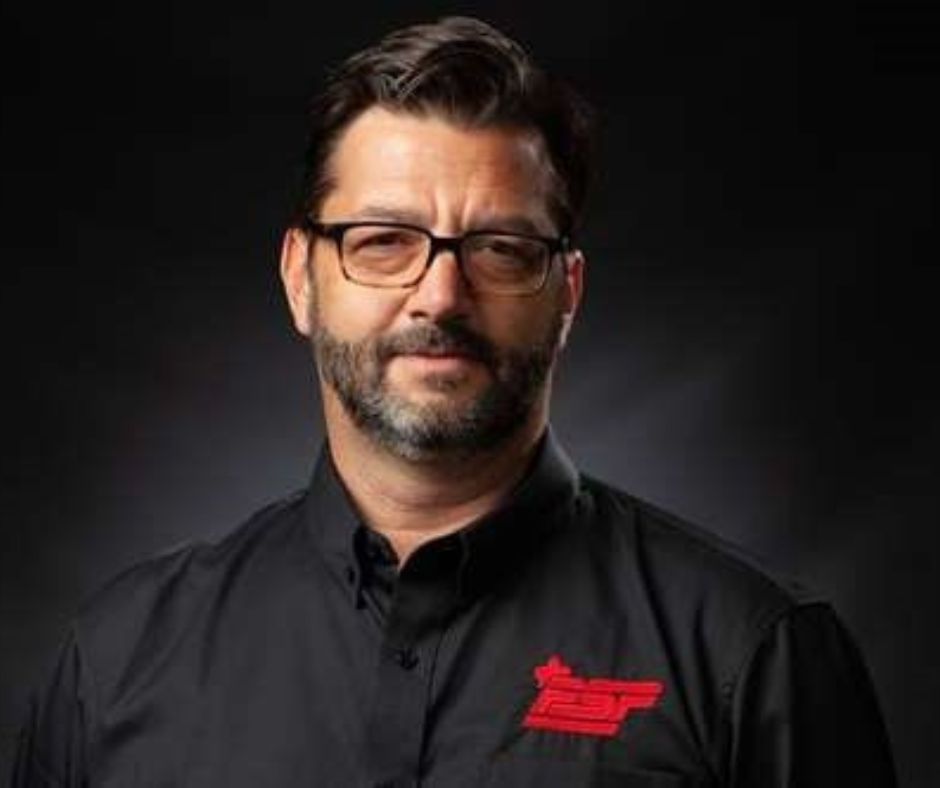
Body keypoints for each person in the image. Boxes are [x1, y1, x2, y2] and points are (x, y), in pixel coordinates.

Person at [13, 16, 895, 788]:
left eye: (500, 248)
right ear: (300, 279)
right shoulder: (117, 658)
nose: (440, 296)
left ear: (566, 294)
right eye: (383, 241)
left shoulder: (756, 654)